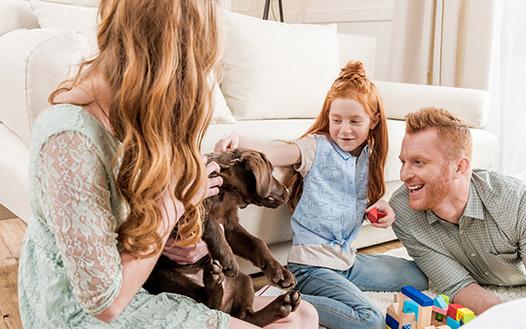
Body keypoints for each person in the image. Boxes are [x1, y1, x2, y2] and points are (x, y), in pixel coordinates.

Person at [17, 0, 318, 328]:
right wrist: (172, 208)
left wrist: (175, 243)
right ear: (170, 57)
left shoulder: (137, 116)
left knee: (304, 315)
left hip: (137, 284)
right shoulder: (70, 139)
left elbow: (128, 227)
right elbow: (104, 302)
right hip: (86, 313)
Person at [214, 61, 428, 329]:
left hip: (347, 261)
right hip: (312, 267)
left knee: (417, 276)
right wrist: (238, 140)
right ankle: (282, 296)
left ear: (373, 120)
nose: (344, 129)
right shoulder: (317, 148)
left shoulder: (368, 156)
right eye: (336, 120)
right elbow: (273, 151)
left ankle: (338, 287)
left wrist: (381, 207)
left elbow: (350, 201)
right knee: (369, 320)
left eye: (354, 121)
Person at [390, 107, 526, 315]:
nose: (403, 174)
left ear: (459, 167)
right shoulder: (402, 211)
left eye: (418, 162)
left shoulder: (520, 204)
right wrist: (504, 319)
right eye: (403, 162)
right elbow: (456, 284)